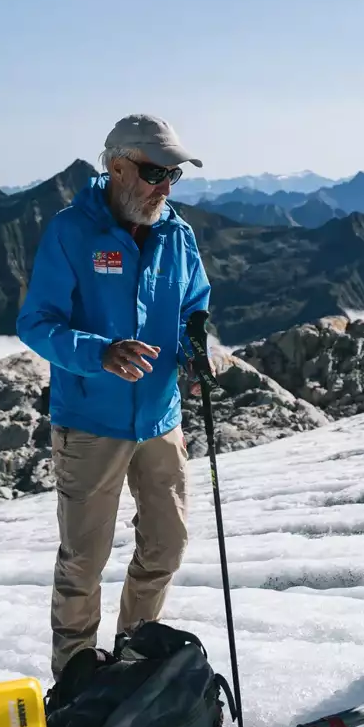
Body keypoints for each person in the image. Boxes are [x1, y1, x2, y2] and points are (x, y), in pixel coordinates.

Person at [17, 114, 213, 680]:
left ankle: (134, 657)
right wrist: (99, 353)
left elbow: (193, 307)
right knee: (84, 559)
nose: (165, 188)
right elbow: (36, 323)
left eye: (173, 175)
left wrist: (194, 350)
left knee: (167, 546)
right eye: (155, 173)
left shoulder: (178, 233)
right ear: (117, 166)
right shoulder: (70, 232)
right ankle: (76, 675)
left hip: (160, 418)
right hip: (89, 420)